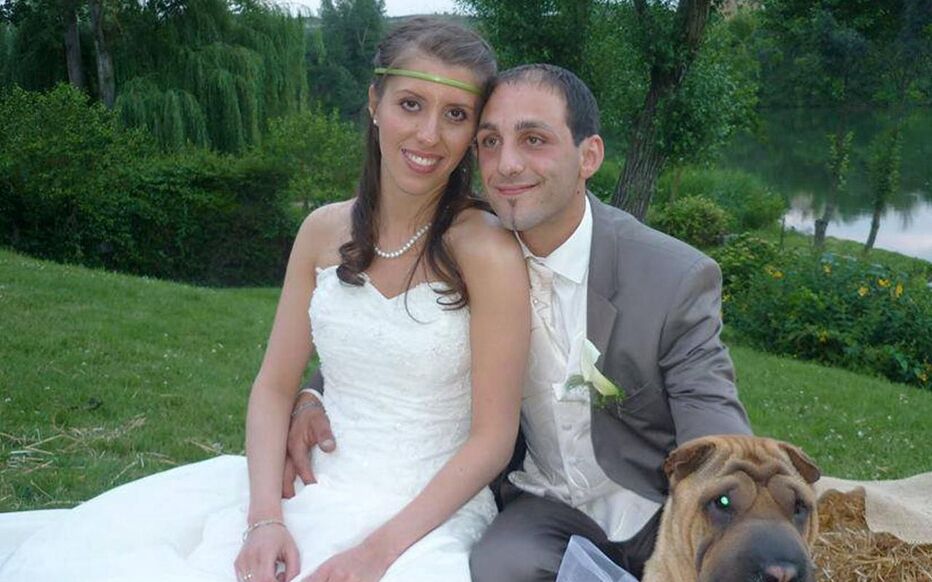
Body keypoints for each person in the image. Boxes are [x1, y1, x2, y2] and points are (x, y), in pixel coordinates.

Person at [0, 18, 530, 582]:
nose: (428, 134)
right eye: (411, 103)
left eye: (455, 115)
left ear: (474, 131)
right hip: (309, 487)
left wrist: (374, 555)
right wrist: (264, 520)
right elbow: (274, 387)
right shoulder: (321, 232)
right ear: (375, 102)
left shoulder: (487, 250)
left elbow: (492, 439)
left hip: (424, 517)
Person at [286, 64, 752, 582]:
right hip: (540, 500)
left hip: (652, 503)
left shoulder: (672, 276)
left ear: (588, 156)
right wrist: (313, 393)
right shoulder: (467, 246)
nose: (507, 165)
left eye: (534, 139)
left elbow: (715, 426)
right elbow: (390, 329)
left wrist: (730, 514)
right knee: (496, 567)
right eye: (490, 141)